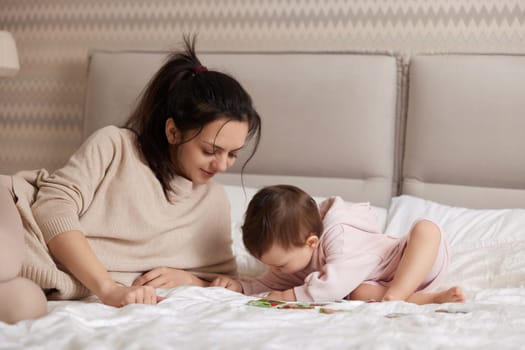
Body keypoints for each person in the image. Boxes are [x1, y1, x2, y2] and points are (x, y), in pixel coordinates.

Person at [0, 35, 262, 324]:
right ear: (173, 132)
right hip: (15, 216)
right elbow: (52, 206)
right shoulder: (115, 145)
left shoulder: (213, 202)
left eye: (233, 154)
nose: (222, 165)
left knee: (25, 308)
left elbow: (225, 280)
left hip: (39, 278)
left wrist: (190, 279)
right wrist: (108, 289)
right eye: (211, 150)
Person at [211, 184, 465, 304]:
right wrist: (241, 287)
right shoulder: (295, 256)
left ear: (311, 242)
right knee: (356, 294)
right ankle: (429, 300)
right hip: (380, 284)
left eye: (280, 264)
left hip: (414, 260)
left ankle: (398, 295)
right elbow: (270, 283)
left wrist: (290, 296)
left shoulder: (339, 235)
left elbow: (330, 286)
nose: (276, 271)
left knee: (426, 229)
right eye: (270, 265)